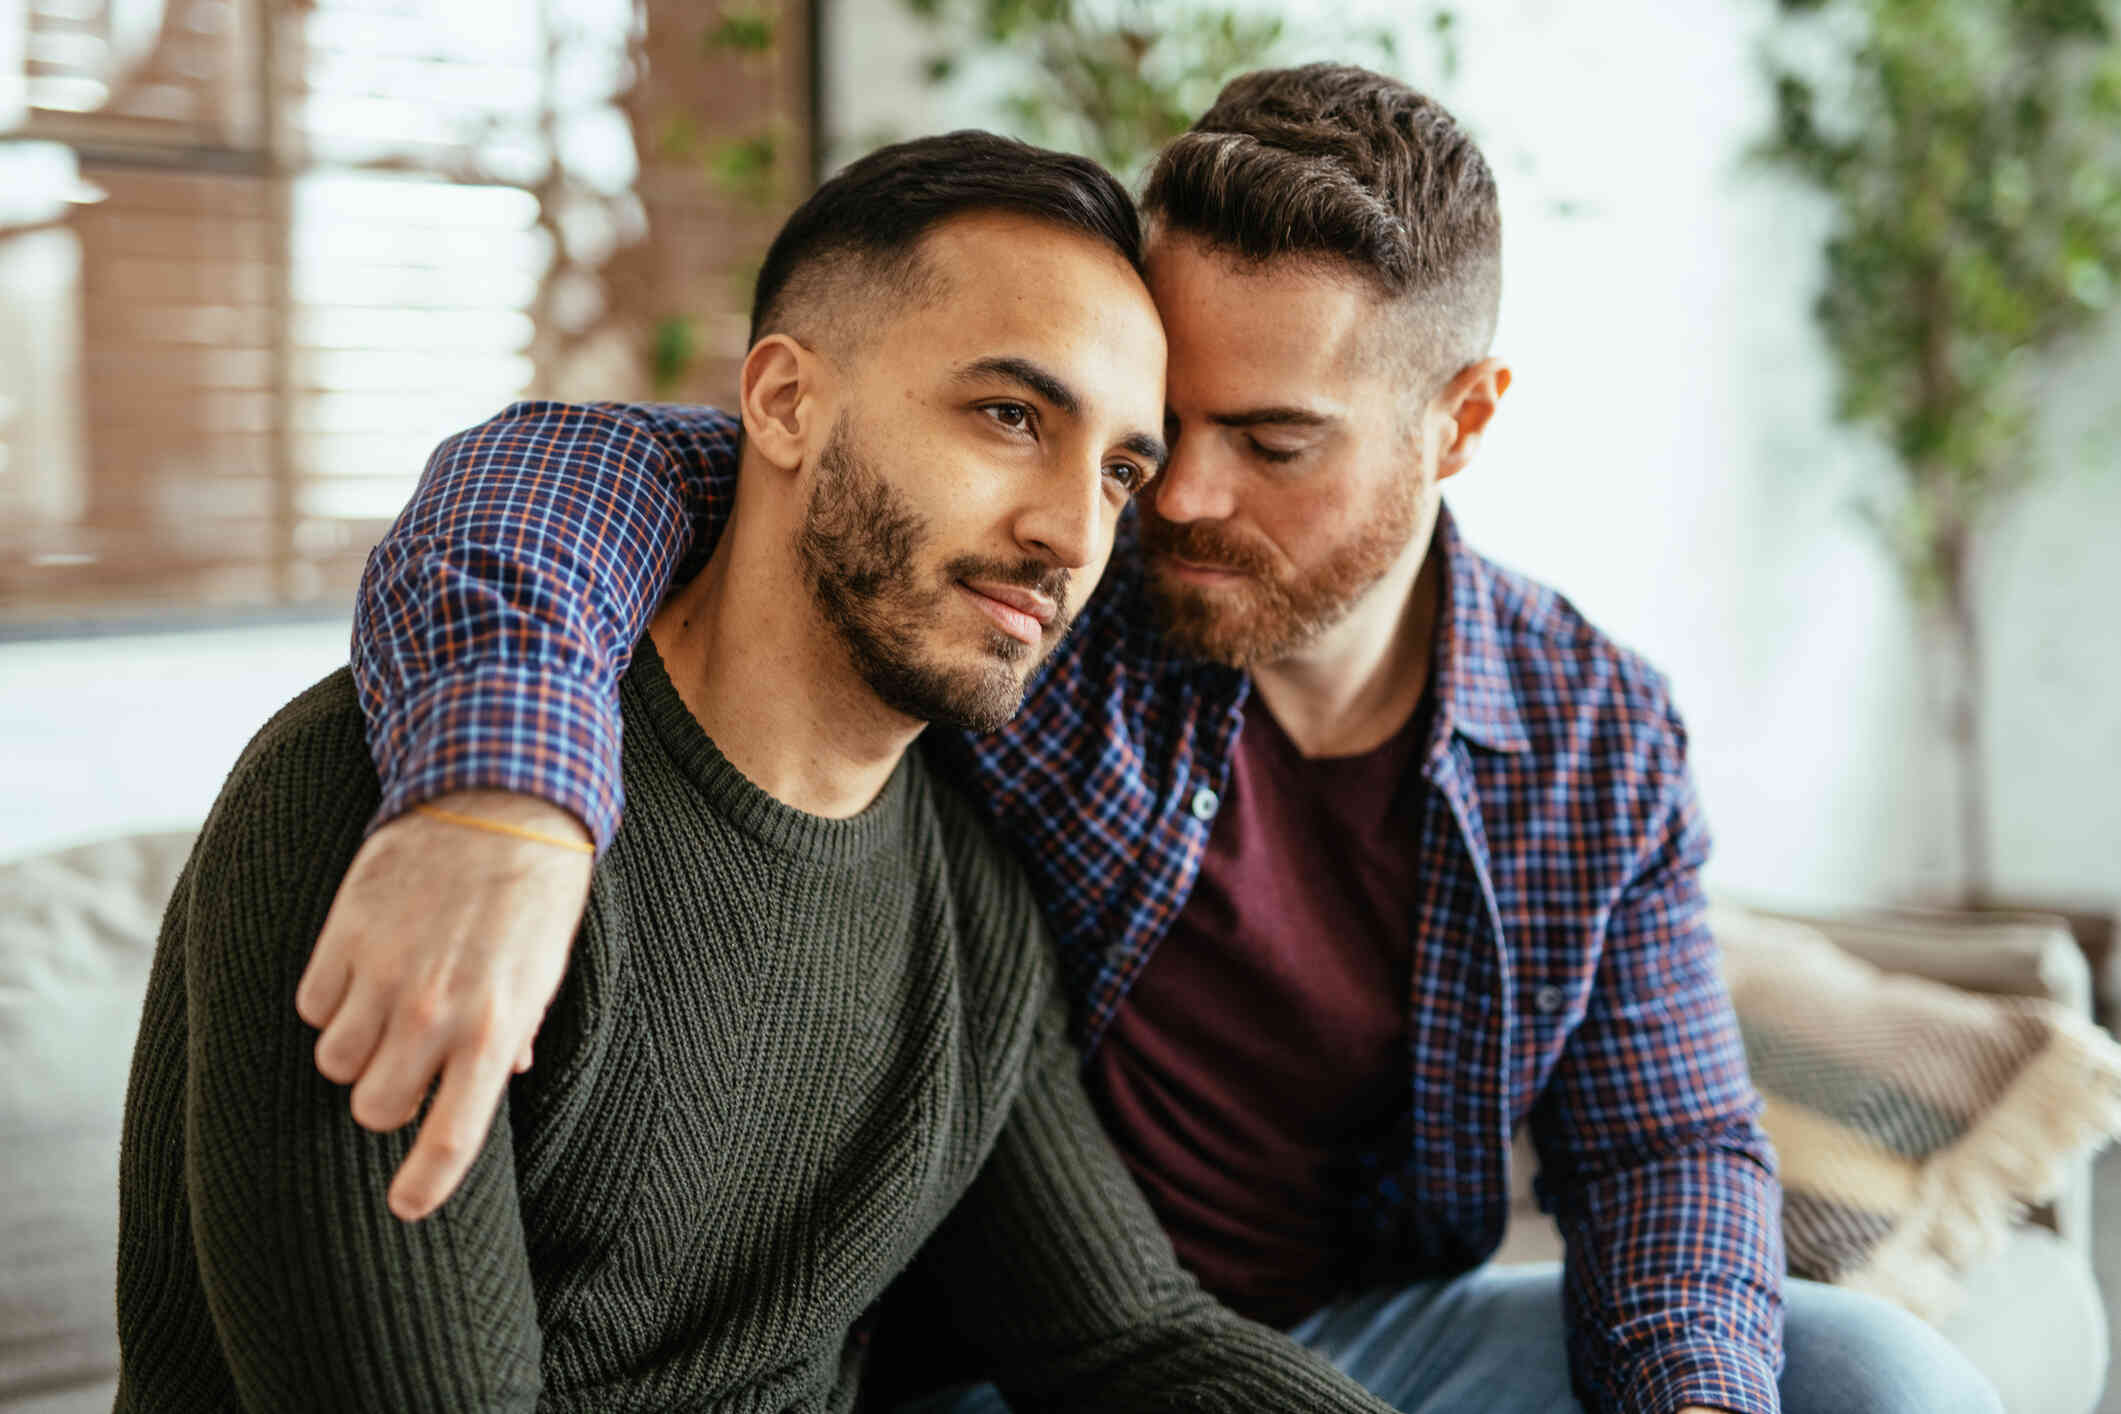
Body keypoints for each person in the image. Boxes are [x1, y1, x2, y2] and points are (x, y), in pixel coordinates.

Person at [292, 68, 2004, 1414]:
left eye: (1272, 441)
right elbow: (602, 473)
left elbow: (1656, 1145)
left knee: (1875, 1377)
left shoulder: (1587, 730)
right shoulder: (1041, 585)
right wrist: (504, 795)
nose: (1170, 495)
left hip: (1340, 1325)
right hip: (1012, 1343)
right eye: (1158, 427)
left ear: (1460, 419)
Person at [111, 130, 1404, 1414]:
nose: (1071, 531)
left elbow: (1130, 1338)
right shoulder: (402, 813)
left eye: (1120, 470)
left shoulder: (971, 891)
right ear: (785, 402)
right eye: (1009, 416)